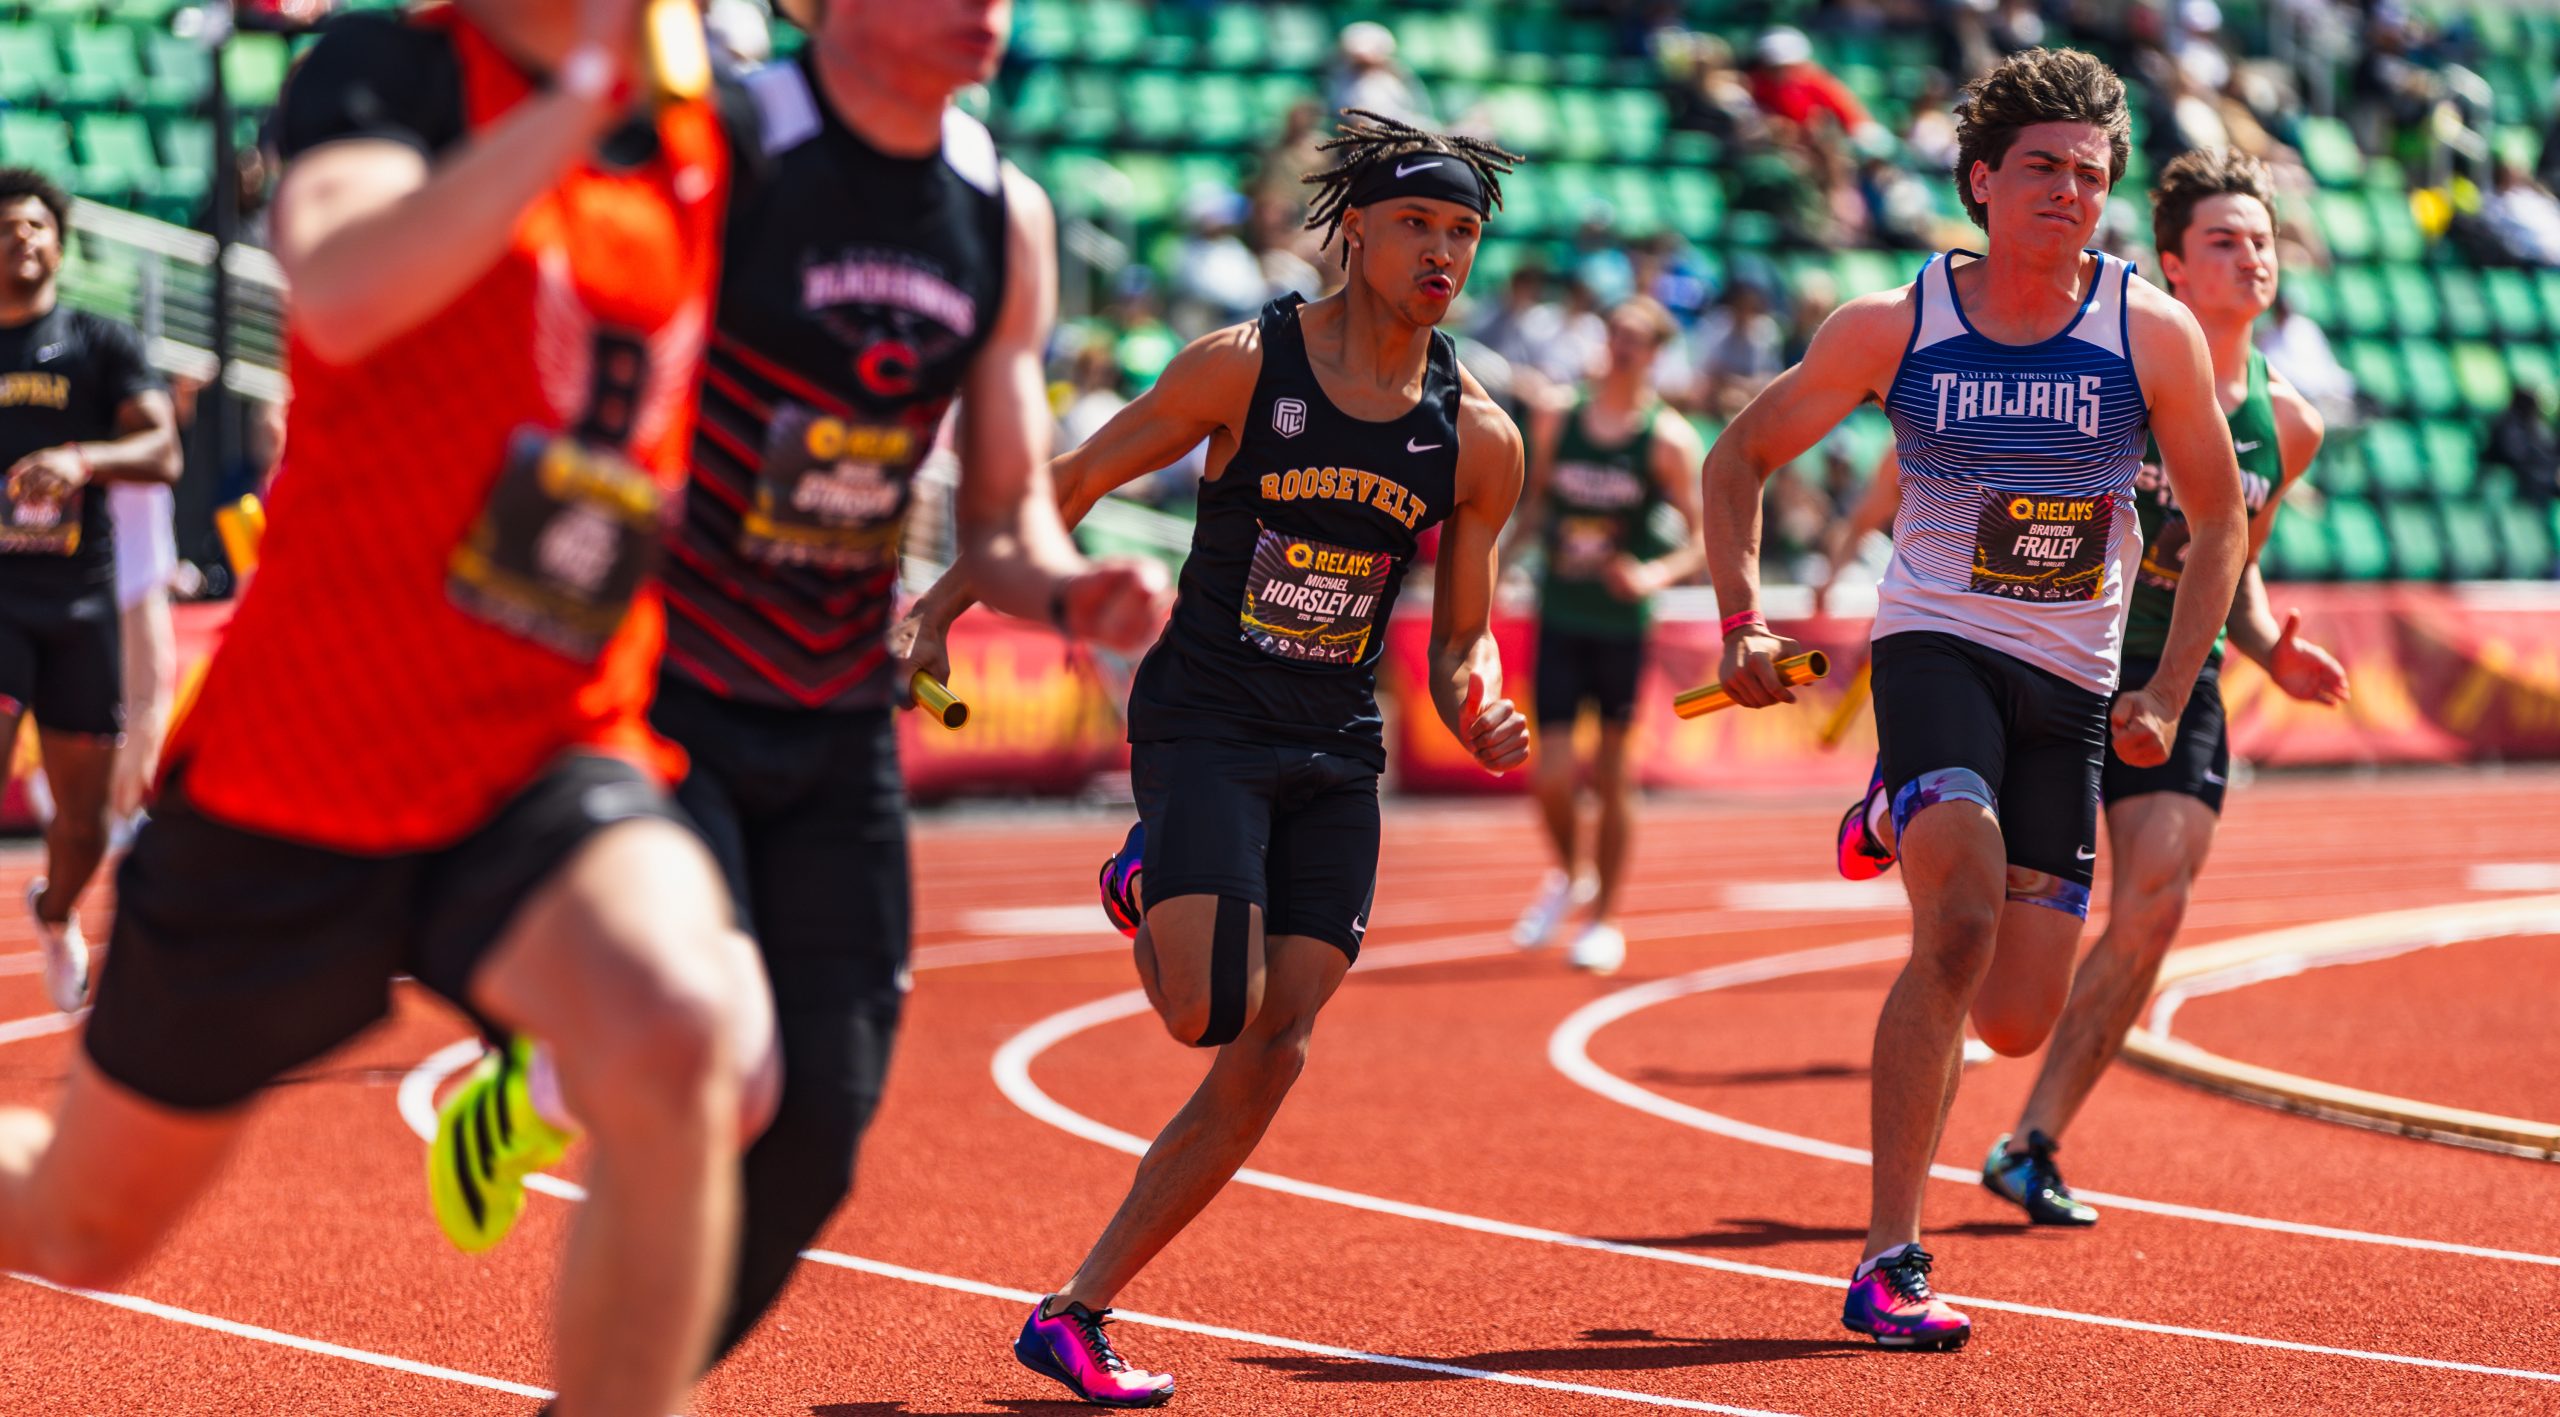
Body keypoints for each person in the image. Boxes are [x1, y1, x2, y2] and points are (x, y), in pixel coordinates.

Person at [0, 8, 784, 1416]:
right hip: (309, 759)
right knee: (79, 1226)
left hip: (547, 741)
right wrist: (568, 107)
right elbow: (345, 288)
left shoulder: (704, 123)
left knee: (687, 1033)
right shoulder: (388, 68)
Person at [428, 0, 1173, 1370]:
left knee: (818, 1133)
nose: (990, 9)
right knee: (720, 1061)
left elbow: (1003, 514)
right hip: (661, 685)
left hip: (833, 718)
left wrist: (1072, 593)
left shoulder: (1004, 214)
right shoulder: (724, 150)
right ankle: (537, 1048)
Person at [906, 109, 1529, 1406]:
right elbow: (1066, 484)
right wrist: (943, 603)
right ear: (1354, 230)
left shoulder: (1478, 437)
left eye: (1463, 232)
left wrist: (1479, 705)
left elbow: (1462, 638)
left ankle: (1078, 1309)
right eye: (1417, 222)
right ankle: (1150, 869)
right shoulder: (1244, 367)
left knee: (1277, 1039)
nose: (1441, 251)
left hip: (1336, 745)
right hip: (1207, 719)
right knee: (1204, 1012)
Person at [1702, 49, 2248, 1352]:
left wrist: (2167, 689)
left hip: (2071, 680)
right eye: (2043, 168)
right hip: (1938, 645)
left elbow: (2222, 519)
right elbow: (1741, 458)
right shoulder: (1893, 325)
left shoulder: (2147, 334)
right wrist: (1742, 622)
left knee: (2010, 1020)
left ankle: (1900, 805)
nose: (2070, 191)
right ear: (1979, 183)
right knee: (1949, 930)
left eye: (2092, 173)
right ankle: (1889, 1255)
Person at [1979, 146, 2344, 1225]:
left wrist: (2272, 643)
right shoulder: (2126, 373)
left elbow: (2238, 554)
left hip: (2180, 674)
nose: (2249, 259)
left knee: (2155, 903)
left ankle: (2031, 1139)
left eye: (2261, 242)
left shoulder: (2292, 423)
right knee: (1992, 902)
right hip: (2056, 645)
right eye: (2222, 242)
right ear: (2175, 268)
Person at [0, 166, 182, 1014]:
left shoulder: (101, 345)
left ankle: (55, 908)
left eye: (36, 226)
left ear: (60, 244)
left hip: (78, 606)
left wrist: (78, 460)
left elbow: (163, 451)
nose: (21, 239)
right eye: (6, 229)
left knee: (82, 827)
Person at [1510, 295, 1705, 974]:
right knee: (1552, 774)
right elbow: (1535, 504)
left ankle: (1604, 919)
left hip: (1621, 625)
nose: (1620, 347)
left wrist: (1653, 574)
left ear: (1655, 353)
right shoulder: (1557, 418)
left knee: (1616, 772)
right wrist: (1498, 565)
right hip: (1560, 612)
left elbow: (1704, 537)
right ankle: (1573, 872)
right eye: (1614, 333)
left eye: (1635, 339)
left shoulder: (1667, 438)